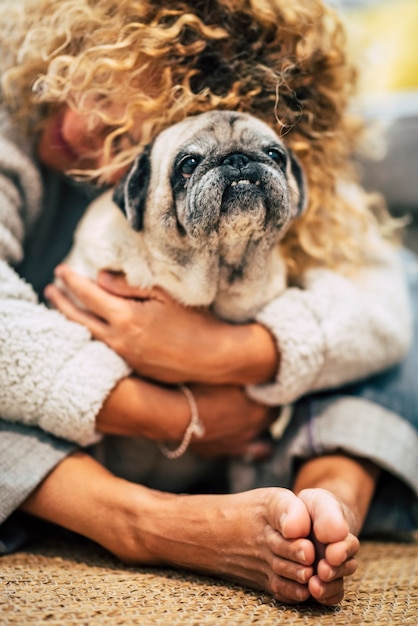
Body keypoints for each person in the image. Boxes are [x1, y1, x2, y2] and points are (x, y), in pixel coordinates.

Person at [0, 0, 417, 608]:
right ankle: (139, 522)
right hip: (76, 434)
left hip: (234, 416)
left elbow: (377, 295)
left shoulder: (251, 155)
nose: (87, 122)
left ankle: (326, 505)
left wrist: (235, 353)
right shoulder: (13, 118)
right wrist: (174, 414)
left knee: (408, 288)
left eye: (133, 126)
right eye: (92, 80)